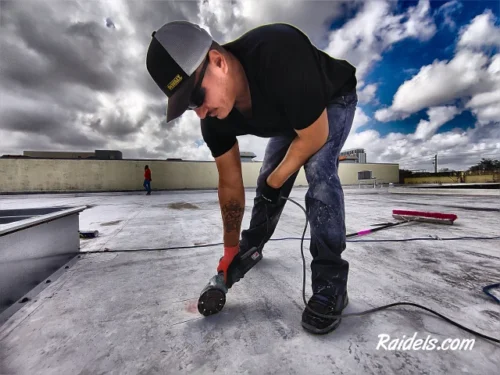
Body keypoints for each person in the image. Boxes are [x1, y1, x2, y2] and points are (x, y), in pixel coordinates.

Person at [146, 21, 358, 334]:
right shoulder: (214, 121)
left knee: (319, 172)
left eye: (196, 96)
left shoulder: (279, 52)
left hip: (331, 101)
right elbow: (230, 184)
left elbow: (313, 137)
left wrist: (277, 181)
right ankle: (251, 247)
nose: (200, 113)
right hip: (292, 117)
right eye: (190, 106)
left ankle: (331, 284)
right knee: (265, 180)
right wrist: (230, 249)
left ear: (218, 62)